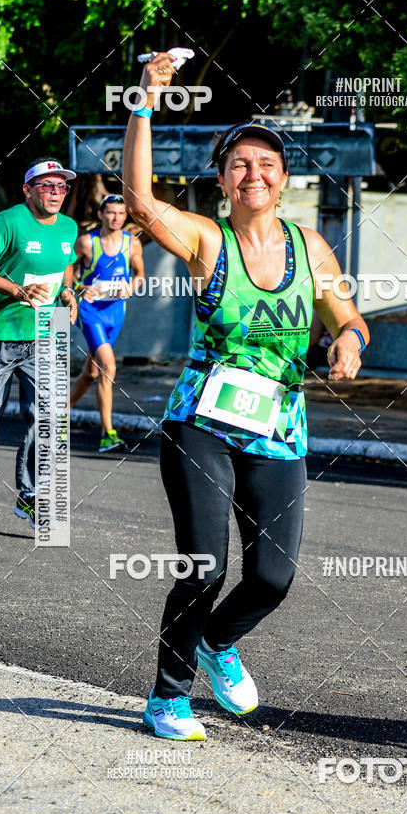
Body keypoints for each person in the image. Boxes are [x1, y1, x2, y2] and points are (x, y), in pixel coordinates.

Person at [122, 53, 369, 741]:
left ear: (284, 180)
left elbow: (348, 316)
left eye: (267, 163)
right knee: (206, 564)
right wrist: (146, 98)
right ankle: (167, 698)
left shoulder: (311, 247)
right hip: (200, 422)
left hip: (279, 428)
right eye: (239, 163)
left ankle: (218, 642)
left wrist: (347, 340)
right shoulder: (207, 240)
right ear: (223, 179)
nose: (253, 173)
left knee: (273, 576)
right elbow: (140, 201)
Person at [0, 157, 78, 532]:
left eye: (61, 186)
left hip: (46, 335)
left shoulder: (68, 227)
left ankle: (32, 497)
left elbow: (65, 266)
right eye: (47, 185)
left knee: (47, 421)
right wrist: (15, 289)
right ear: (28, 190)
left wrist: (70, 293)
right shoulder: (8, 222)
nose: (56, 192)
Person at [70, 194, 145, 453]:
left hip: (116, 313)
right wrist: (80, 287)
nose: (116, 218)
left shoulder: (132, 243)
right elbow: (68, 271)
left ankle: (55, 418)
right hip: (91, 313)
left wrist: (131, 288)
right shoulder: (86, 243)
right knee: (108, 367)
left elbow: (140, 274)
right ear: (101, 214)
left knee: (90, 373)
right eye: (111, 213)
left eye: (121, 214)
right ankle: (107, 434)